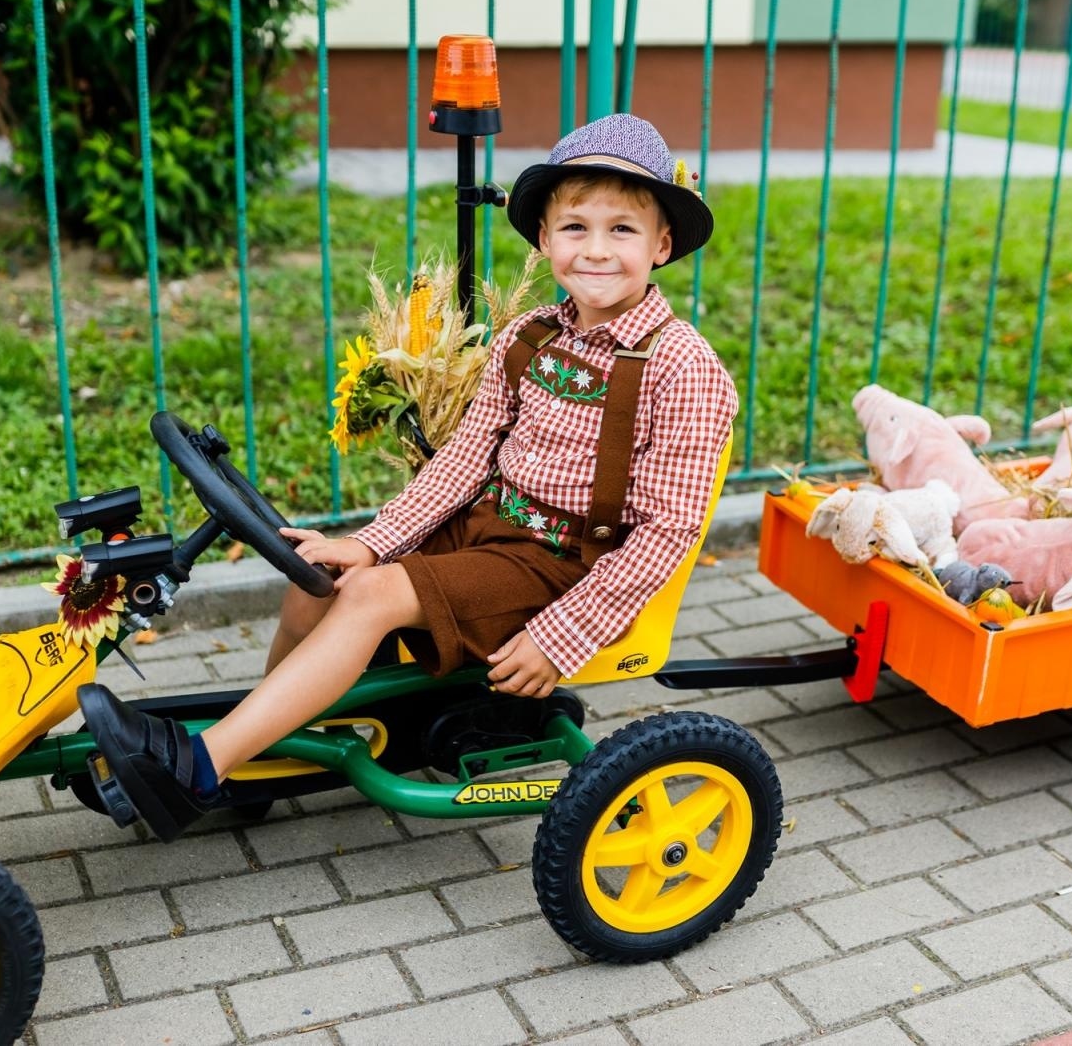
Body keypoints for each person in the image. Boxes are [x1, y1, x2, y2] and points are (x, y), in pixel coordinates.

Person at [80, 113, 739, 841]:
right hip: (490, 529)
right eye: (576, 228)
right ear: (545, 240)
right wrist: (371, 539)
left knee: (371, 597)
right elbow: (464, 459)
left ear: (662, 244)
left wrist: (562, 637)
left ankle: (198, 770)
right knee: (318, 577)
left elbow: (668, 530)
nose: (597, 250)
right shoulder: (531, 336)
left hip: (565, 564)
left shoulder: (682, 368)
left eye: (623, 230)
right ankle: (255, 746)